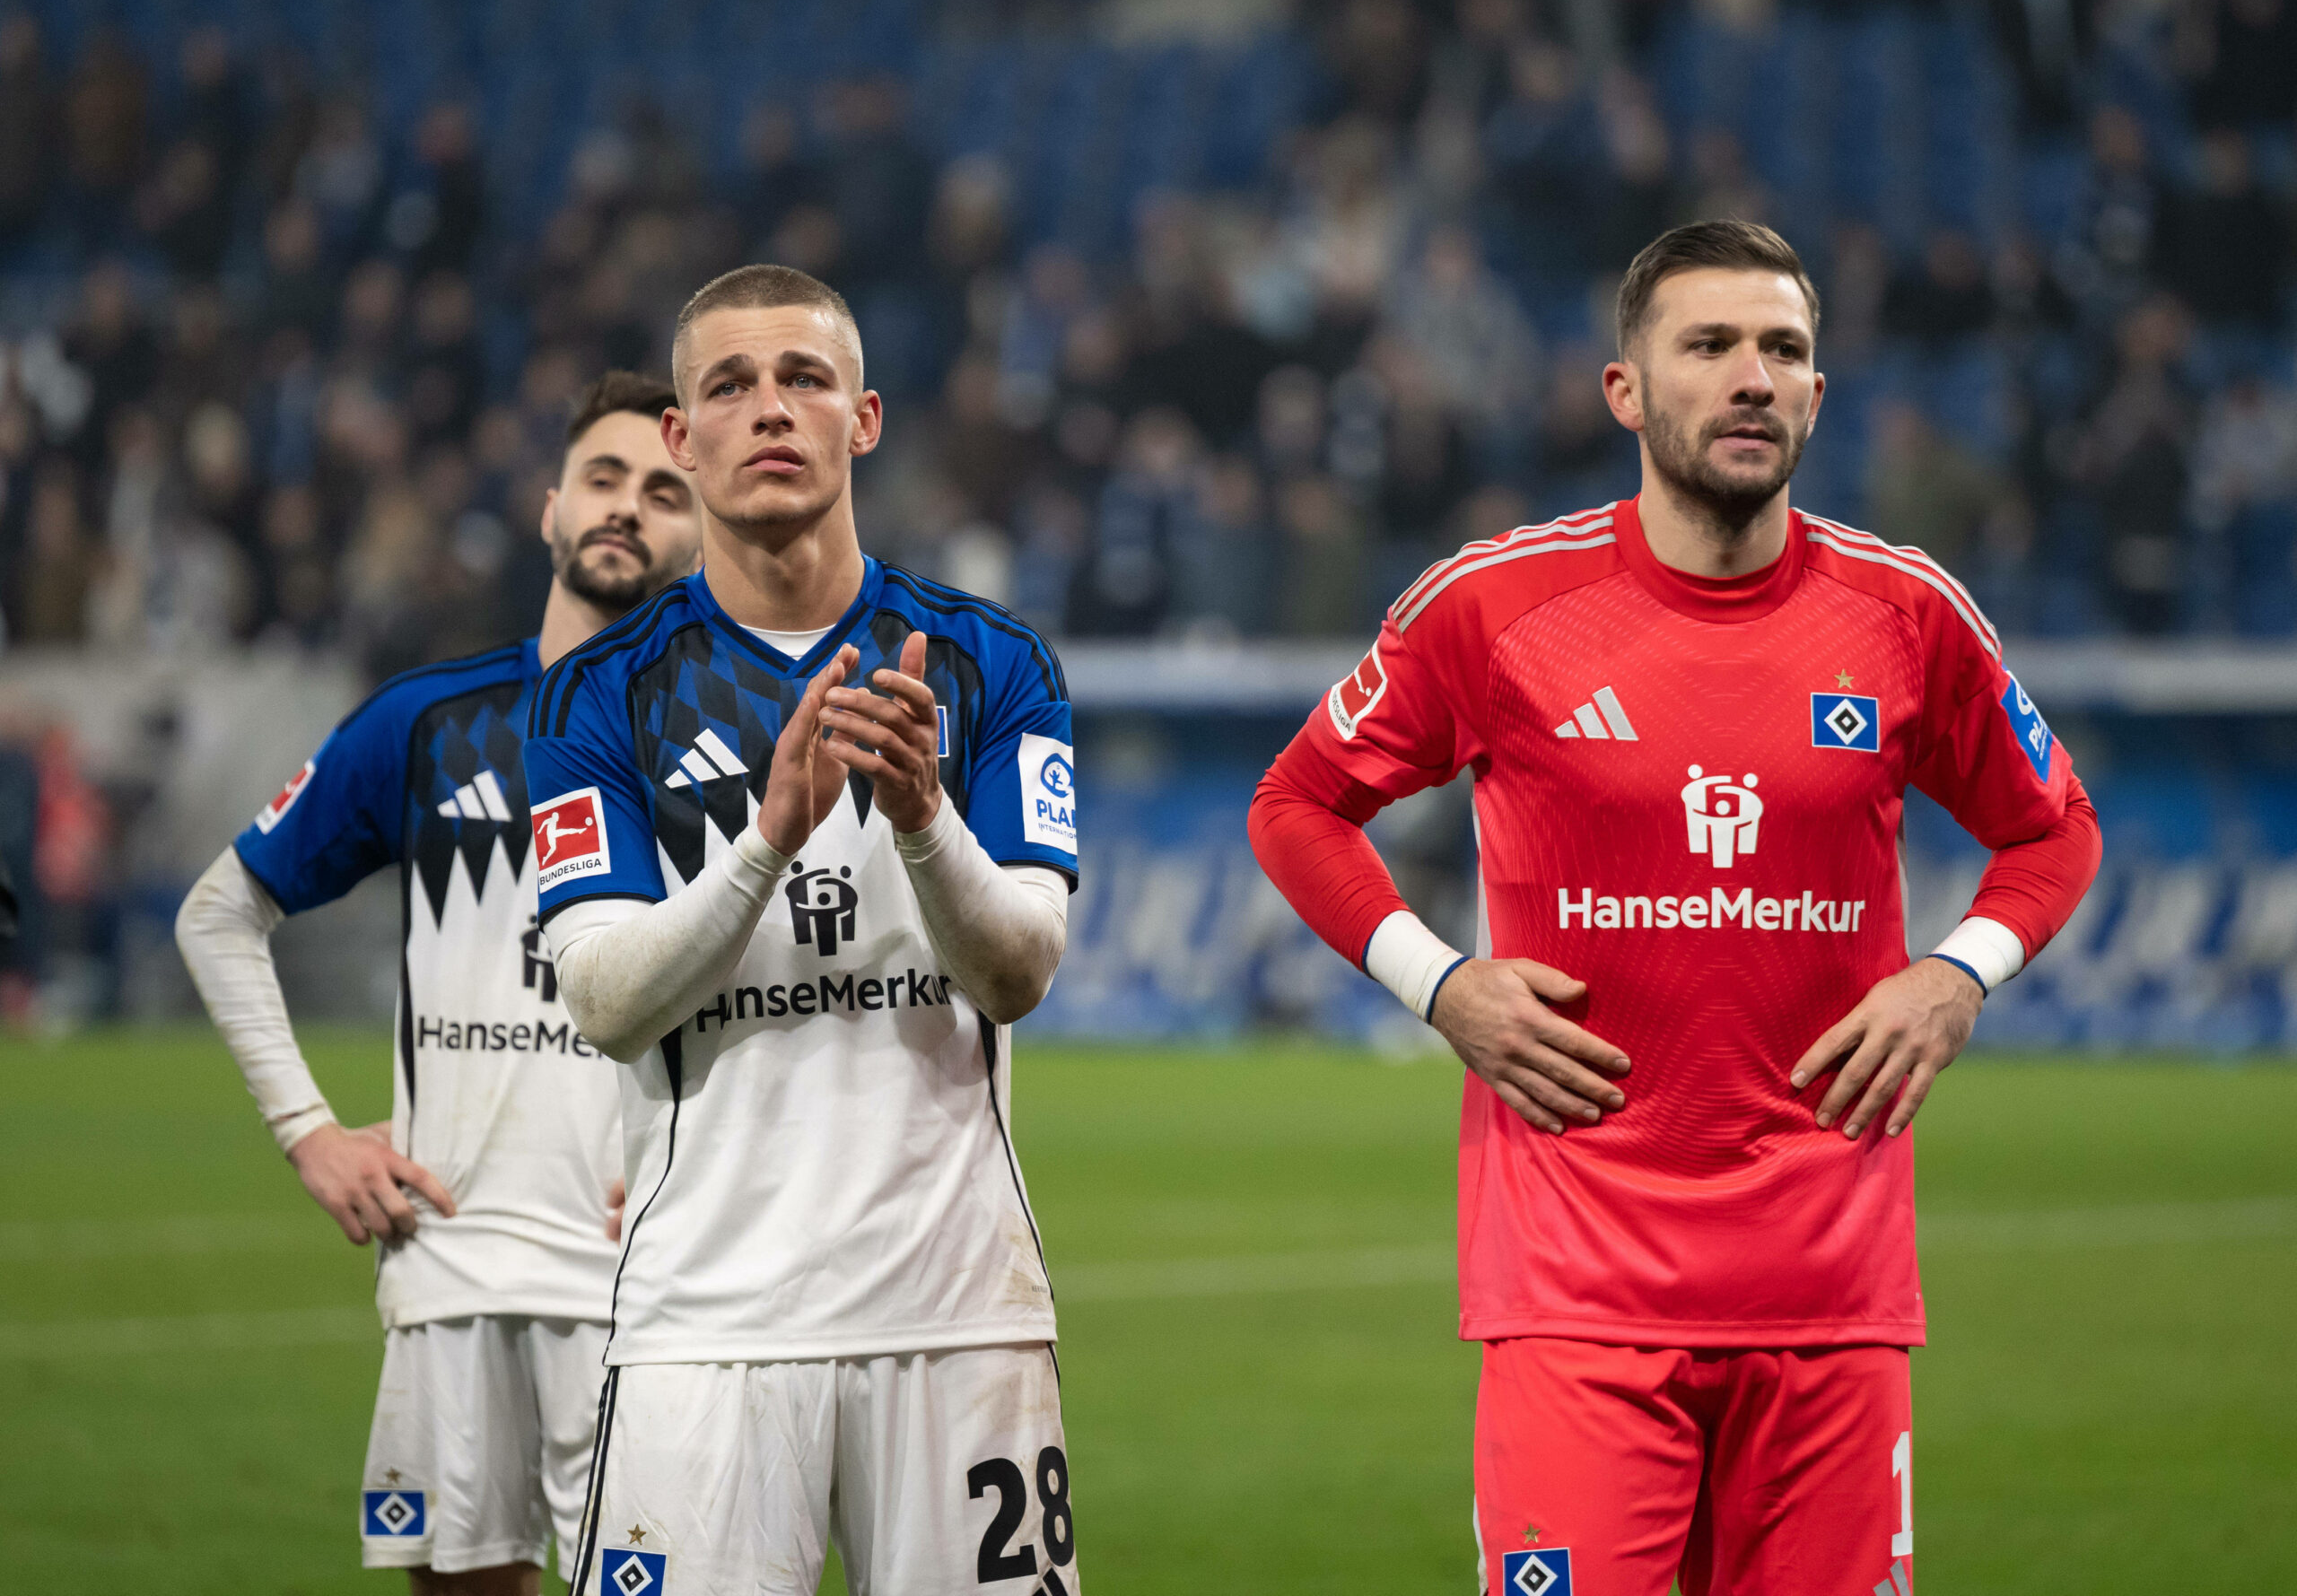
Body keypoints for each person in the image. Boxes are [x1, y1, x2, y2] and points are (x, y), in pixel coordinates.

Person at [1248, 221, 2101, 1596]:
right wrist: (1441, 985)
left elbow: (2053, 829)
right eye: (1709, 346)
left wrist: (1958, 977)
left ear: (1821, 396)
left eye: (1784, 351)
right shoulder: (1497, 606)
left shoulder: (1907, 615)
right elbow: (1295, 807)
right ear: (1626, 391)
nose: (1751, 377)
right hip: (1576, 1293)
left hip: (1830, 1293)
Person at [523, 265, 1081, 1596]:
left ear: (865, 420)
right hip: (702, 1329)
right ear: (682, 437)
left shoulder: (992, 662)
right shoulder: (592, 698)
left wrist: (923, 818)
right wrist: (767, 838)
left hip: (959, 1320)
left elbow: (1020, 970)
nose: (770, 410)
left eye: (805, 380)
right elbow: (603, 1000)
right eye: (729, 385)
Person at [175, 372, 703, 1595]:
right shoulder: (430, 723)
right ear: (550, 508)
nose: (628, 508)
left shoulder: (732, 740)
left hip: (660, 1280)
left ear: (703, 530)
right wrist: (309, 1132)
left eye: (666, 491)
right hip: (451, 1262)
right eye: (606, 480)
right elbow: (220, 913)